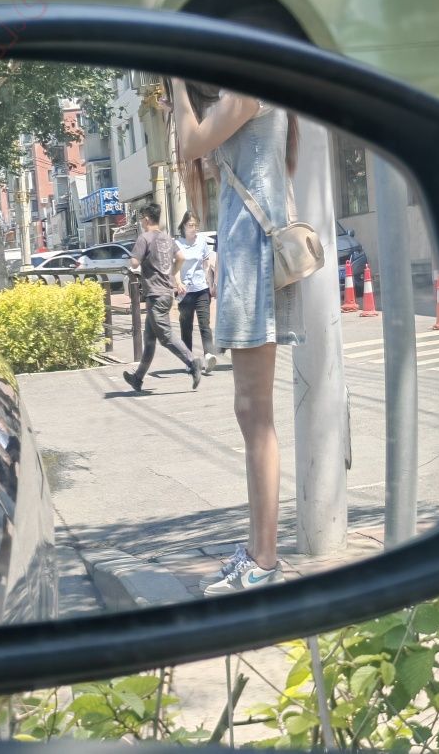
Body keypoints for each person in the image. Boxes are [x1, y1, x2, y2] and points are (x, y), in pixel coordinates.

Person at [170, 78, 305, 594]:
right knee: (250, 410)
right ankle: (256, 551)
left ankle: (265, 559)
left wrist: (175, 79)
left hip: (253, 253)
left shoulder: (250, 89)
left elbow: (190, 143)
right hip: (242, 251)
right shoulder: (243, 94)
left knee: (255, 411)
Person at [123, 202, 203, 393]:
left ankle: (192, 362)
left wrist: (134, 261)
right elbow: (181, 257)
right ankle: (138, 378)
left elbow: (134, 263)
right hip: (166, 293)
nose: (141, 222)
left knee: (166, 336)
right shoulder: (167, 238)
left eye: (141, 219)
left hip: (155, 295)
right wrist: (171, 273)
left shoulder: (144, 238)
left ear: (146, 219)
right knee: (150, 339)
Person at [173, 210, 217, 375]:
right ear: (184, 226)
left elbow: (206, 265)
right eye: (191, 225)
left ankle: (208, 356)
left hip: (201, 289)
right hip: (185, 291)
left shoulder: (202, 242)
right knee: (186, 326)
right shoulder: (177, 244)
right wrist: (178, 283)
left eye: (196, 225)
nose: (194, 229)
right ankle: (189, 360)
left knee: (205, 324)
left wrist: (210, 284)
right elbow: (175, 267)